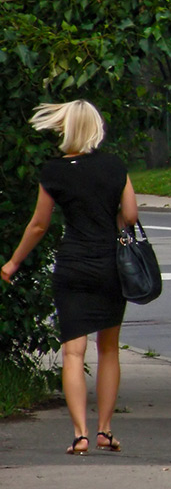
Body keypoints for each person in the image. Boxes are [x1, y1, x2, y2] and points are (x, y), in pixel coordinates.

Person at [2, 100, 139, 455]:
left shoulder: (54, 172)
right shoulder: (115, 167)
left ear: (67, 129)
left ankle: (79, 435)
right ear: (96, 128)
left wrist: (13, 263)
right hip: (110, 266)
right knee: (108, 349)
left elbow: (39, 224)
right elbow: (130, 213)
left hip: (73, 266)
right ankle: (105, 431)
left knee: (72, 352)